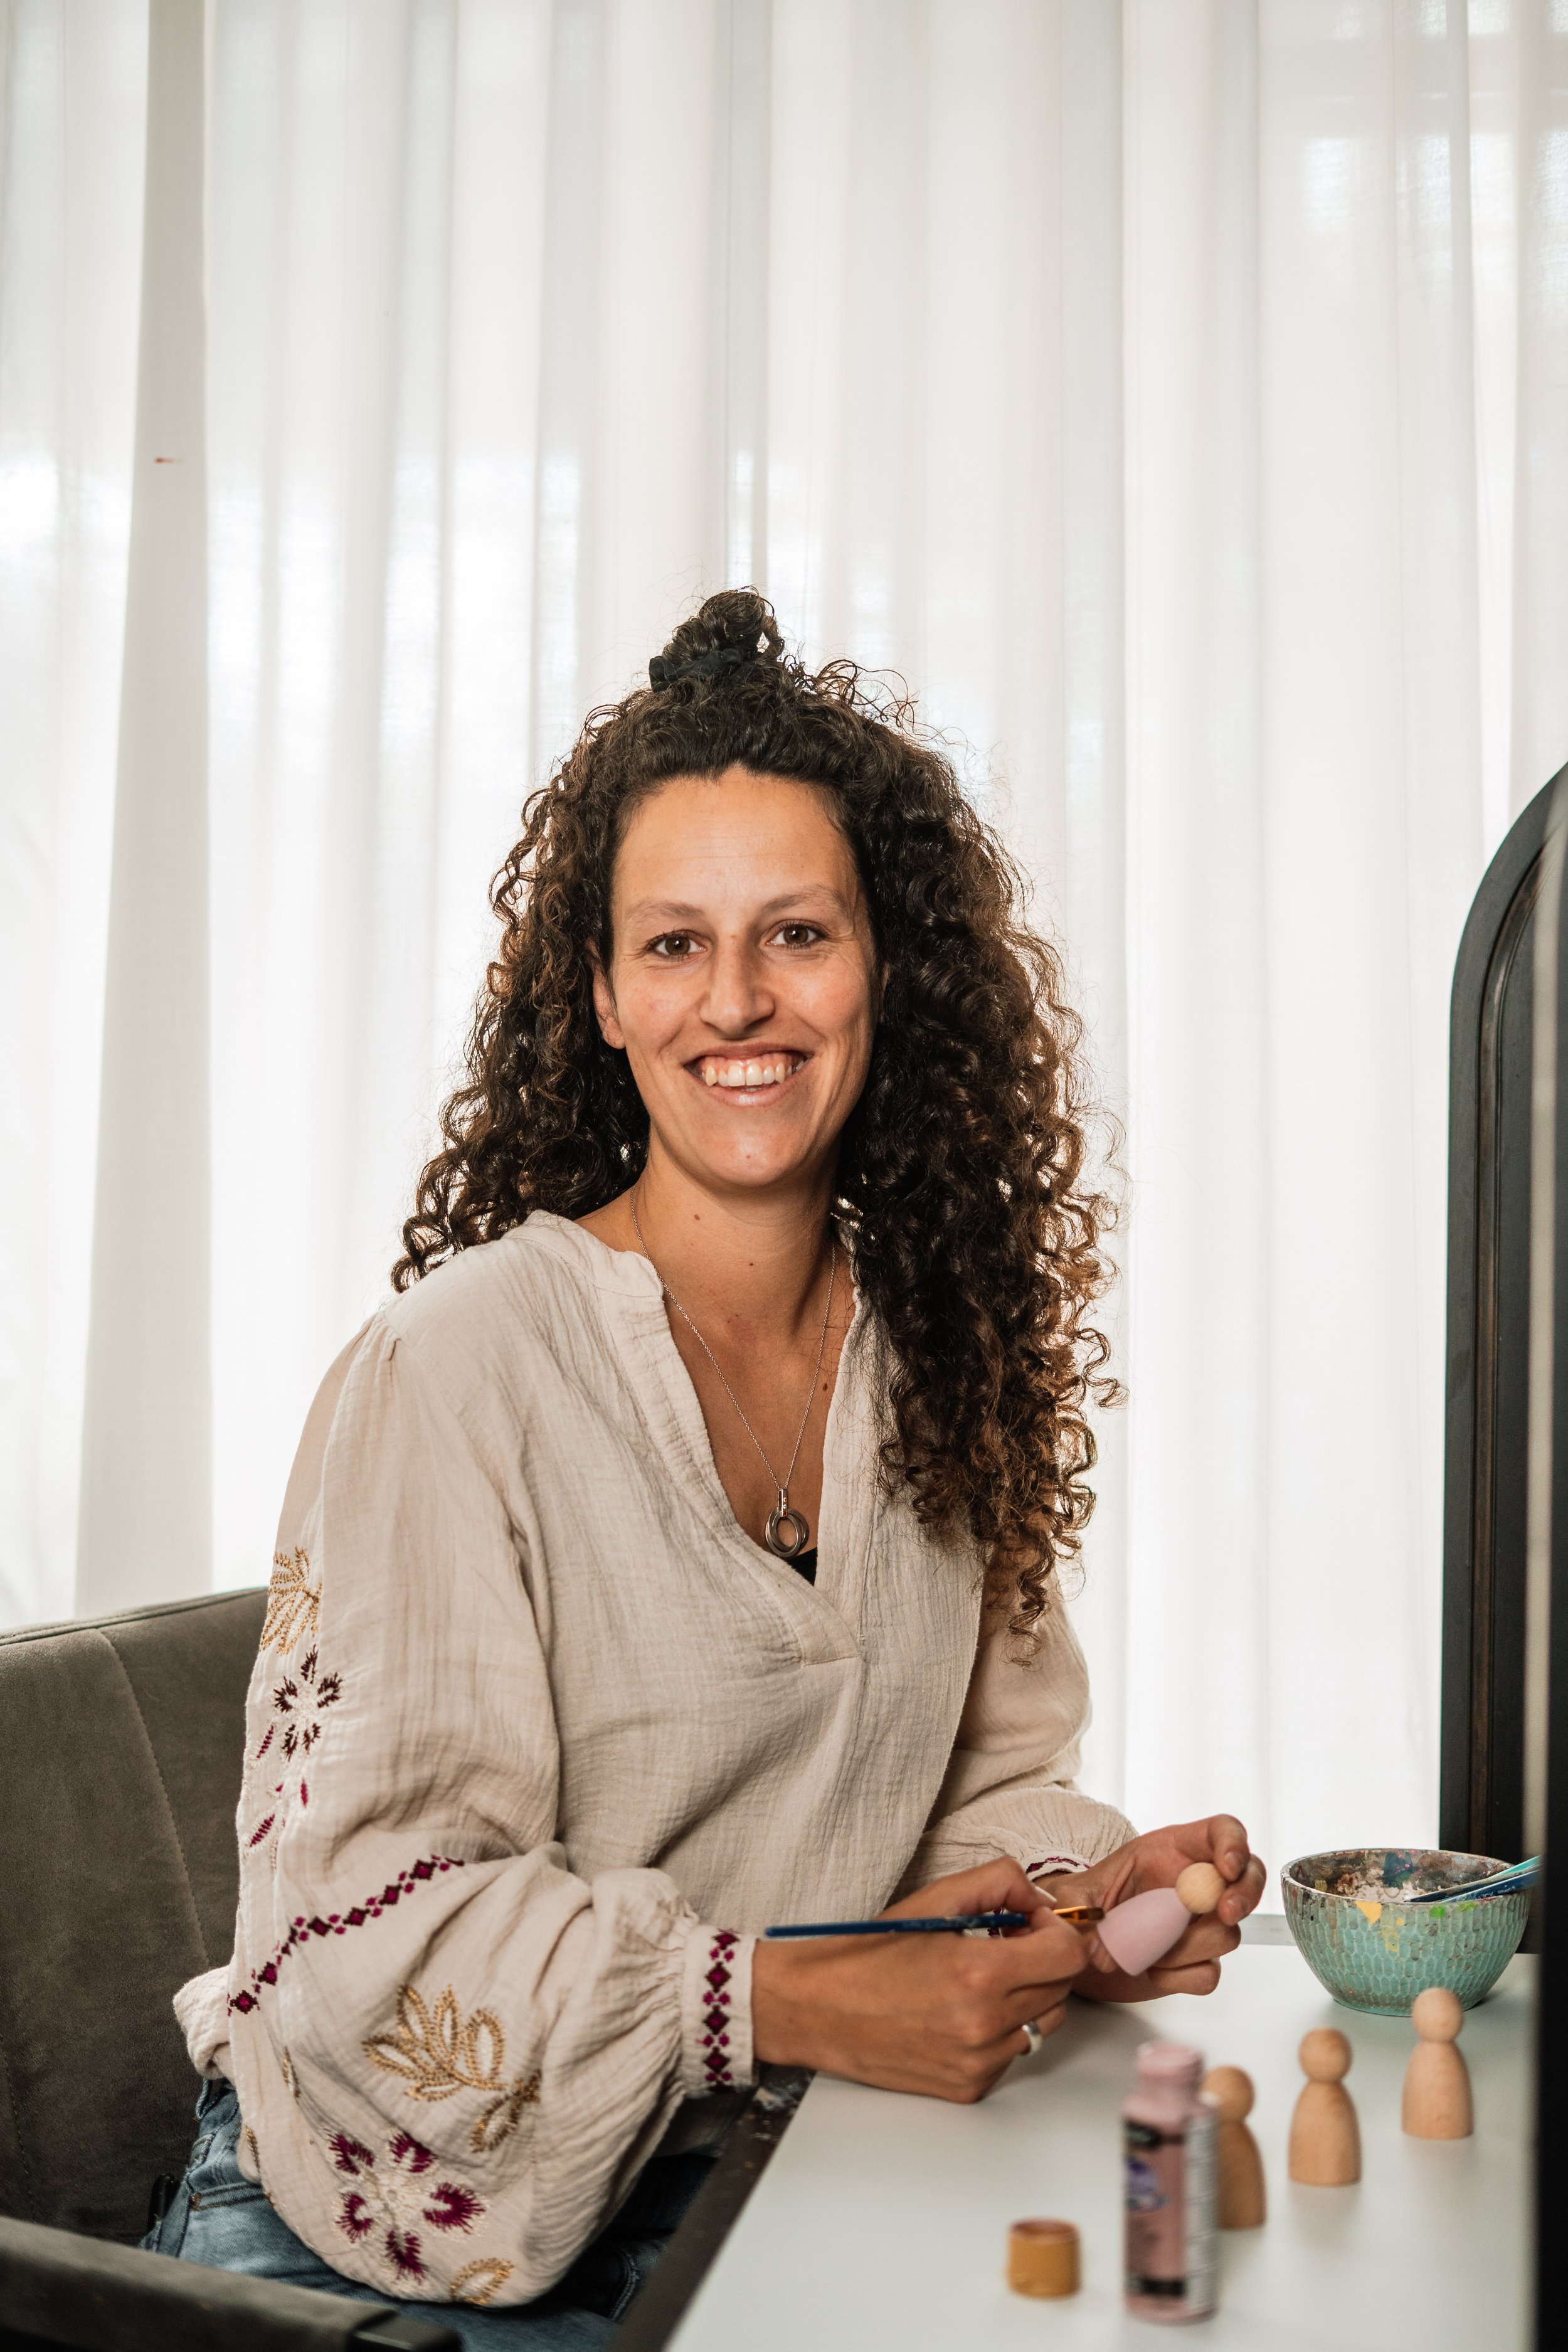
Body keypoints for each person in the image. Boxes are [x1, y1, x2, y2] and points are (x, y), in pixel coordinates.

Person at [151, 591, 1266, 2344]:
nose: (736, 1001)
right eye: (672, 945)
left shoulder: (942, 1357)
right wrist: (777, 2005)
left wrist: (1067, 1897)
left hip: (739, 2181)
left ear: (883, 966)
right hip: (367, 2262)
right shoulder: (452, 1371)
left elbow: (983, 1776)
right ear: (596, 993)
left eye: (795, 934)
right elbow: (369, 1932)